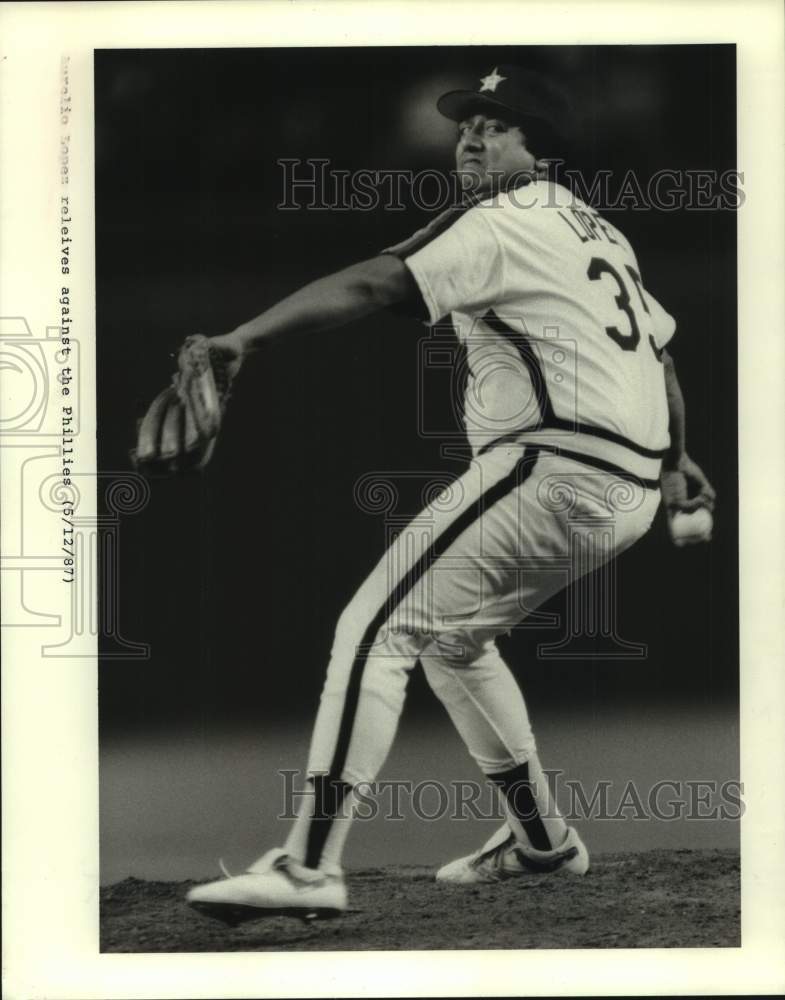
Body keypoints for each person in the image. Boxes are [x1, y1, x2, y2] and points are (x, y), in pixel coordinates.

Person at [185, 65, 715, 923]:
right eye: (466, 121)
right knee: (451, 642)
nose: (470, 135)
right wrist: (675, 461)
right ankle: (539, 837)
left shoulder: (501, 218)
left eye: (496, 125)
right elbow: (656, 356)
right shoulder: (601, 232)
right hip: (624, 491)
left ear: (540, 147)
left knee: (373, 627)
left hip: (553, 471)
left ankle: (307, 867)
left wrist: (244, 337)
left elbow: (369, 283)